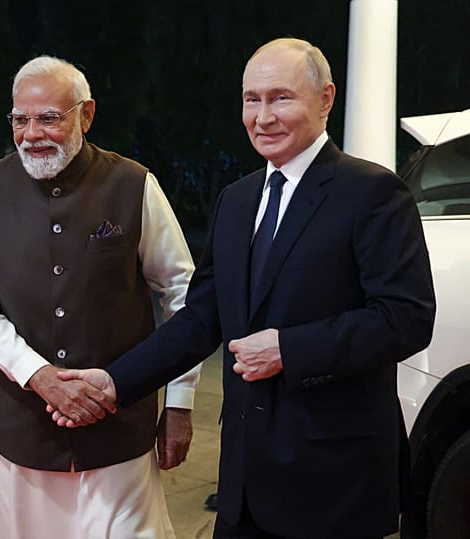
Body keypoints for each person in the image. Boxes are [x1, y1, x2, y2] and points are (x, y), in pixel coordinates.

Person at [54, 38, 437, 539]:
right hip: (243, 479)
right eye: (251, 99)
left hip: (333, 480)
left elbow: (405, 319)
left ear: (325, 99)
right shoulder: (237, 200)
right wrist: (115, 382)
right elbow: (200, 316)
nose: (263, 116)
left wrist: (287, 349)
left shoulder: (373, 193)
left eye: (281, 97)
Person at [0, 55, 201, 539]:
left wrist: (179, 401)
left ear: (86, 115)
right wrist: (40, 376)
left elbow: (182, 291)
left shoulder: (133, 183)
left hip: (119, 424)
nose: (31, 134)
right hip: (21, 427)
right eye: (20, 120)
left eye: (49, 118)